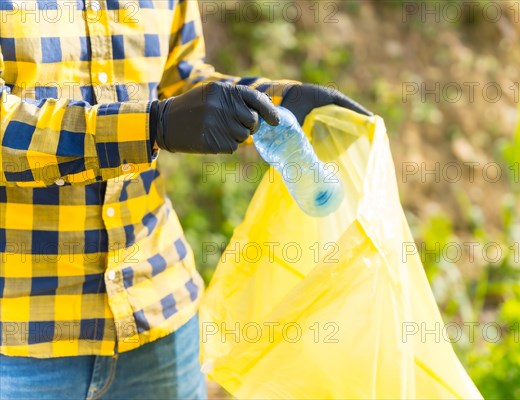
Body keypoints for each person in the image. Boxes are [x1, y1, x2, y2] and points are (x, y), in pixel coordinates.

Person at [0, 0, 370, 399]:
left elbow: (182, 77)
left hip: (158, 310)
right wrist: (154, 125)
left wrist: (274, 102)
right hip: (18, 341)